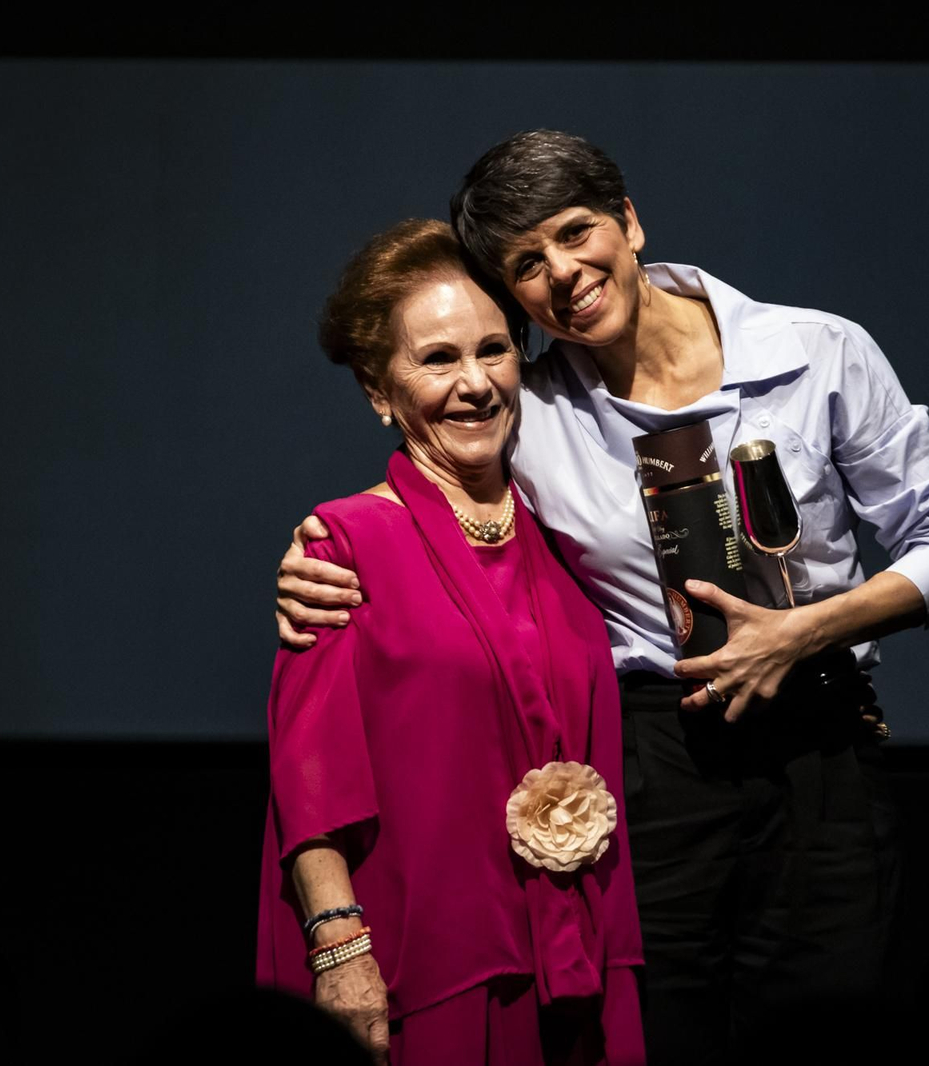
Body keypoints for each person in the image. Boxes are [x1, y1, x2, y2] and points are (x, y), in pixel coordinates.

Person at [275, 131, 929, 1062]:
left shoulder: (819, 353)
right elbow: (432, 484)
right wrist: (318, 548)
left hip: (821, 746)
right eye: (526, 266)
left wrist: (803, 632)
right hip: (657, 764)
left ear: (628, 220)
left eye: (575, 232)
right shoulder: (531, 408)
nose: (563, 275)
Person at [256, 217, 646, 1065]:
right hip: (424, 964)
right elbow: (308, 784)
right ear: (377, 389)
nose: (475, 383)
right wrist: (339, 949)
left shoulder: (571, 537)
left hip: (577, 961)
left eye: (495, 350)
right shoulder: (343, 545)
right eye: (438, 359)